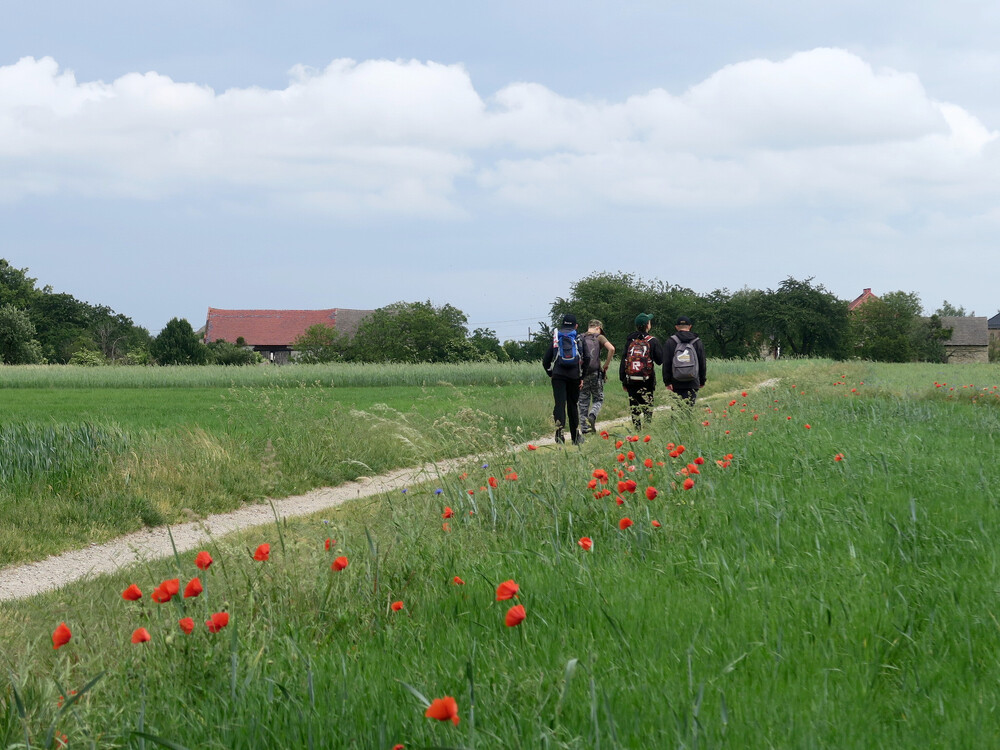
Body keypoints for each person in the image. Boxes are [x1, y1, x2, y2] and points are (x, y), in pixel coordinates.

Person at [542, 313, 584, 444]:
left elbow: (546, 361)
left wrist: (551, 373)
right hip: (574, 376)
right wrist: (582, 377)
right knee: (572, 405)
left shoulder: (556, 338)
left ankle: (559, 435)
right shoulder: (578, 338)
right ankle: (575, 437)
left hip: (558, 376)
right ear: (576, 326)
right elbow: (586, 358)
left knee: (559, 405)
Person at [618, 313, 663, 430]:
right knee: (647, 407)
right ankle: (647, 430)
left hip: (631, 380)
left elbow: (624, 360)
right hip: (647, 380)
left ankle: (637, 431)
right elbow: (660, 360)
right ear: (648, 325)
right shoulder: (652, 341)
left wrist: (623, 379)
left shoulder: (629, 340)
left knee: (634, 407)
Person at [577, 320, 615, 434]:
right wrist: (606, 365)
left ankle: (584, 429)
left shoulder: (580, 337)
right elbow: (612, 349)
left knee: (583, 401)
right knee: (598, 398)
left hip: (582, 374)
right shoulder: (599, 337)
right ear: (598, 328)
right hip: (595, 373)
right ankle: (593, 414)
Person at [663, 315, 707, 406]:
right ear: (690, 326)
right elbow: (702, 362)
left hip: (675, 381)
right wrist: (702, 380)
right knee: (689, 409)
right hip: (693, 380)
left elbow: (666, 363)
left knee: (676, 410)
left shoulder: (671, 341)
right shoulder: (697, 341)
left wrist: (667, 382)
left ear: (676, 327)